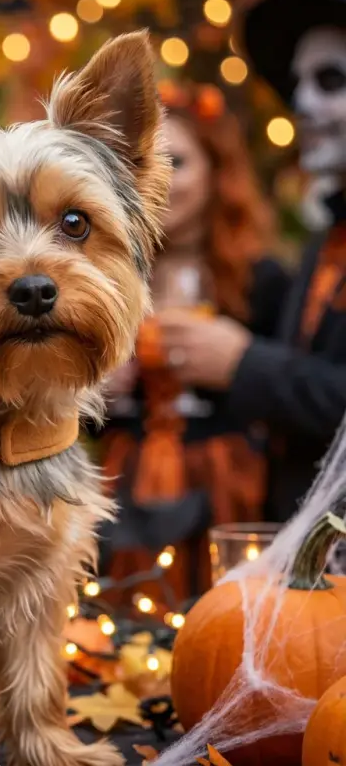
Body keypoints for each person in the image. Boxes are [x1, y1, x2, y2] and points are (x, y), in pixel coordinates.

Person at [157, 0, 346, 524]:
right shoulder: (324, 242)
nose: (302, 103)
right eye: (298, 83)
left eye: (330, 80)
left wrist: (242, 364)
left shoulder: (261, 276)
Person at [97, 81, 290, 602]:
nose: (158, 180)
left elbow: (292, 396)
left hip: (230, 483)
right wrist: (97, 393)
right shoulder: (106, 280)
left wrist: (236, 364)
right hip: (128, 481)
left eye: (178, 162)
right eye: (141, 164)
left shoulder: (260, 281)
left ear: (216, 172)